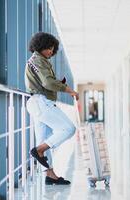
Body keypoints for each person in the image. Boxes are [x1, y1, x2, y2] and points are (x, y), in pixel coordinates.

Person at [25, 32, 79, 185]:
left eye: (52, 49)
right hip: (40, 102)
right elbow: (47, 83)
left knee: (44, 138)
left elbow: (46, 82)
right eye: (48, 48)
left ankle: (50, 175)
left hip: (39, 102)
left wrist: (57, 83)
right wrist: (69, 90)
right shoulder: (37, 60)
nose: (50, 51)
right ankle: (39, 150)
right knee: (68, 129)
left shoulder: (41, 61)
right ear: (40, 46)